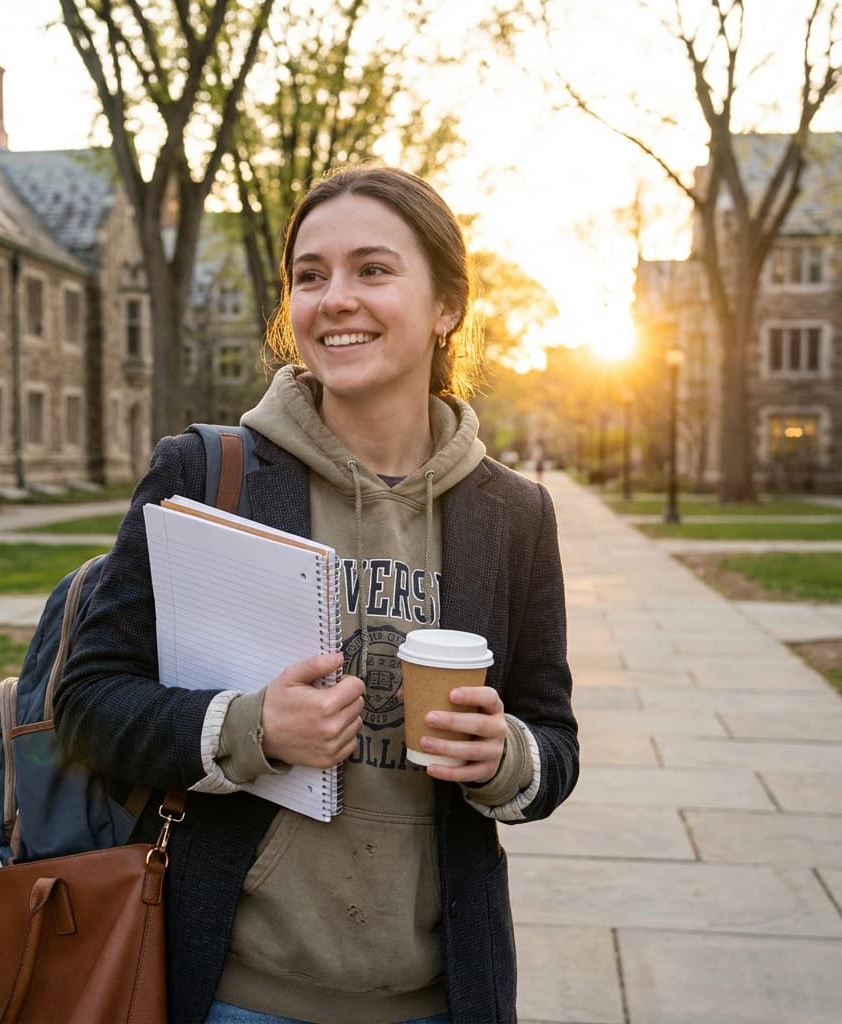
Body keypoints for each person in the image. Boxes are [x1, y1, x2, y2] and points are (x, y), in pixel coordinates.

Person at [56, 165, 579, 1024]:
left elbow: (552, 741)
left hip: (440, 999)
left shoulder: (514, 515)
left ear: (446, 305)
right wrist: (252, 726)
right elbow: (88, 705)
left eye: (373, 269)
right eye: (310, 275)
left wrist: (505, 756)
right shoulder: (207, 473)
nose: (336, 298)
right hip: (234, 994)